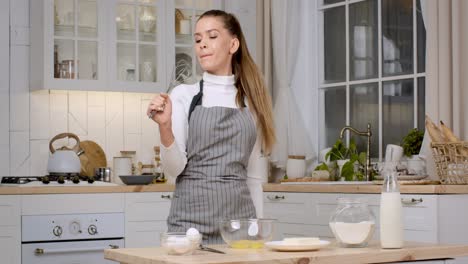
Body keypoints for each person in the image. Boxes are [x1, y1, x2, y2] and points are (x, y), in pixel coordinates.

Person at [147, 9, 275, 244]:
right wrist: (164, 127)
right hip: (189, 229)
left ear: (233, 44)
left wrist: (258, 230)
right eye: (197, 39)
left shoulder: (251, 101)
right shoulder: (184, 95)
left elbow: (254, 176)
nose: (202, 44)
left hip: (240, 228)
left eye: (212, 36)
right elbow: (174, 170)